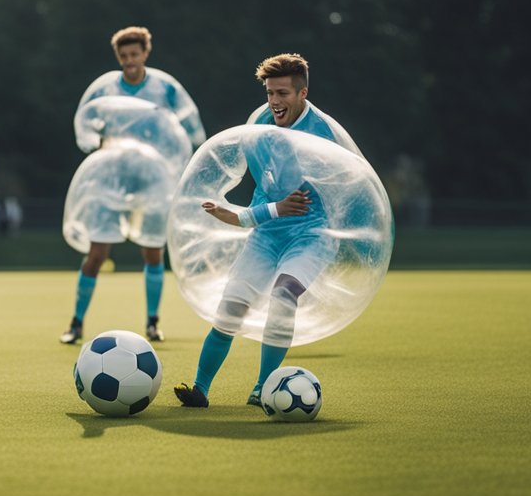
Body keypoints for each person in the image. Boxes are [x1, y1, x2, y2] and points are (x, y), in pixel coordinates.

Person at [174, 53, 361, 409]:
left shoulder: (322, 135)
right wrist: (249, 214)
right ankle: (199, 389)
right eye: (269, 93)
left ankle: (263, 389)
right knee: (230, 309)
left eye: (283, 94)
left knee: (283, 295)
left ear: (302, 93)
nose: (274, 101)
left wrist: (245, 216)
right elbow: (268, 189)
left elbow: (321, 197)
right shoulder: (259, 122)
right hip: (266, 233)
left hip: (310, 235)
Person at [61, 26, 205, 345]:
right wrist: (98, 142)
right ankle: (76, 322)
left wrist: (191, 161)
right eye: (123, 56)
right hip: (110, 178)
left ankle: (153, 322)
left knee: (152, 249)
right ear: (118, 57)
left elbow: (193, 128)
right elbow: (83, 125)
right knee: (97, 251)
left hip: (153, 179)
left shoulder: (165, 88)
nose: (129, 60)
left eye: (134, 54)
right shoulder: (104, 88)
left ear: (145, 54)